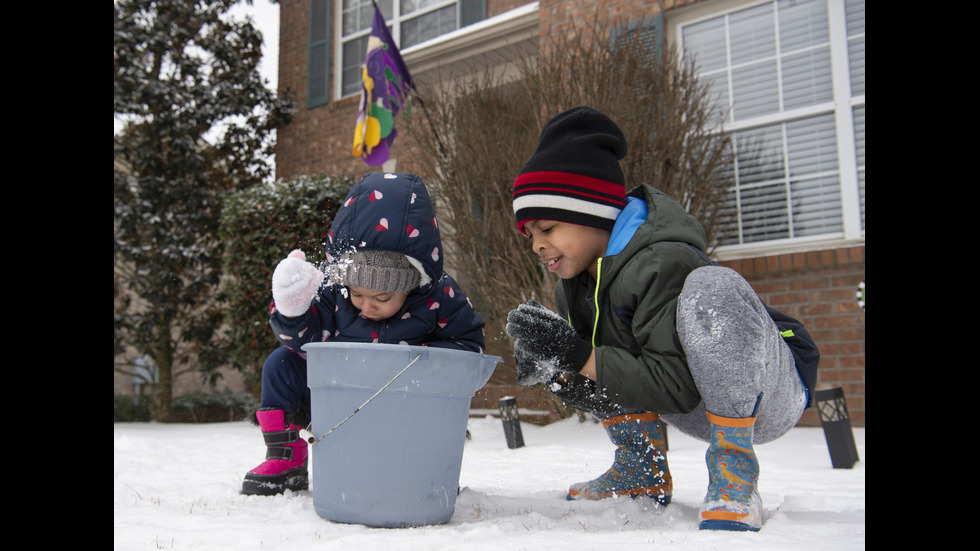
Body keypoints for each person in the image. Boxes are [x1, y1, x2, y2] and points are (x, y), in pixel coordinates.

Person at [504, 107, 818, 532]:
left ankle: (734, 474)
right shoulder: (576, 282)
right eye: (532, 237)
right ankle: (641, 469)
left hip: (769, 392)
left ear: (593, 212)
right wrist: (557, 367)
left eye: (548, 228)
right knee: (564, 349)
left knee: (713, 287)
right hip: (697, 403)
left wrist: (579, 355)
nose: (539, 246)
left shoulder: (661, 261)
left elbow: (676, 383)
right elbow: (626, 375)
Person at [242, 171, 486, 496]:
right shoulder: (337, 294)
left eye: (382, 299)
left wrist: (432, 363)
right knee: (280, 363)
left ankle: (426, 471)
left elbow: (469, 346)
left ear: (411, 286)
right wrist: (291, 309)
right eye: (358, 295)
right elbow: (303, 339)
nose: (367, 307)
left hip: (407, 402)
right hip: (341, 396)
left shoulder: (440, 299)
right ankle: (286, 458)